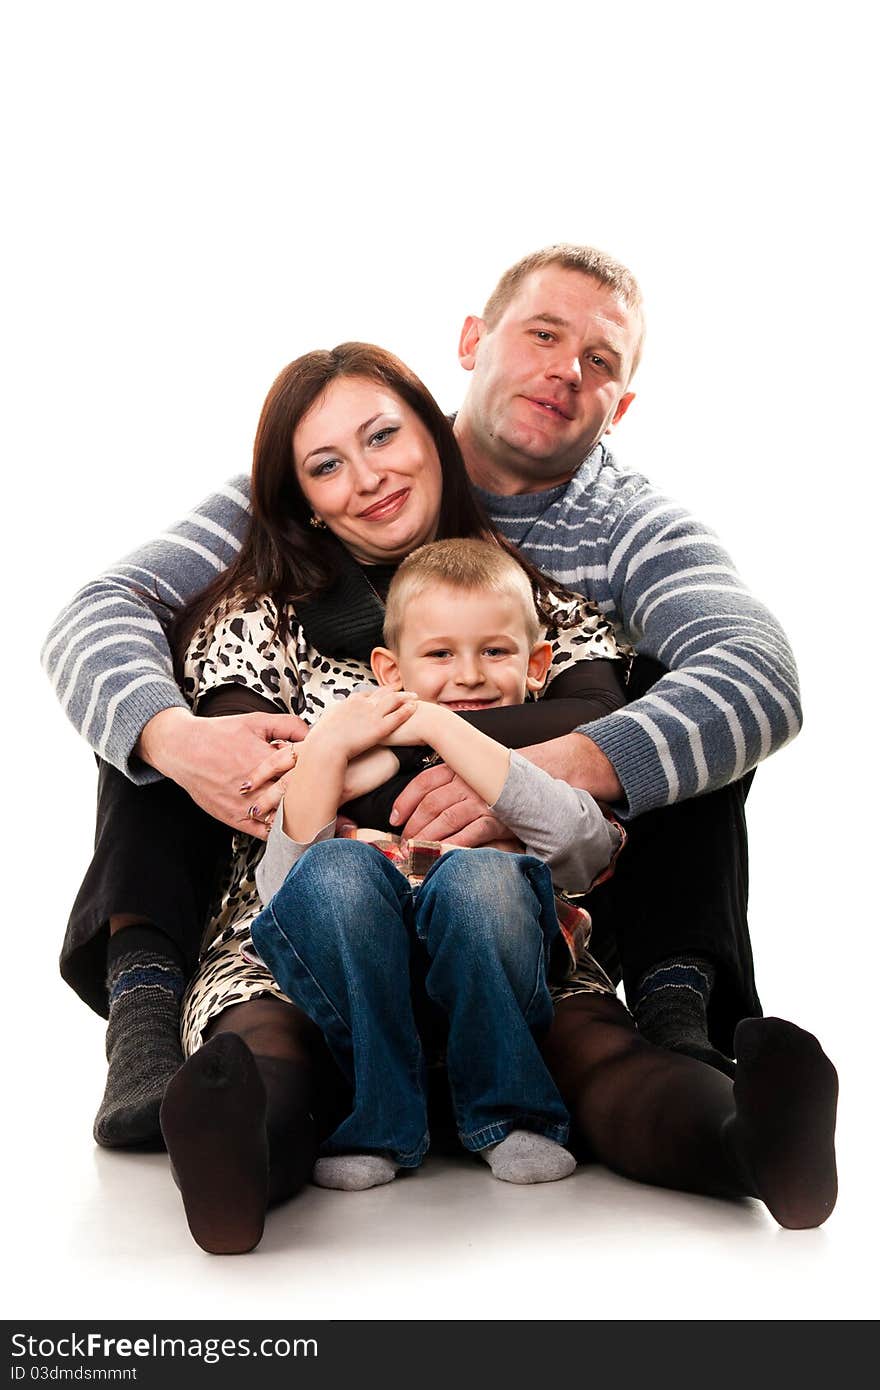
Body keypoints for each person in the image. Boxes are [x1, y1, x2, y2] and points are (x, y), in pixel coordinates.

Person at [43, 243, 795, 1144]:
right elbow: (105, 607)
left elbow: (759, 669)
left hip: (536, 877)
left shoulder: (623, 530)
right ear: (474, 340)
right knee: (141, 693)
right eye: (543, 333)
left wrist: (532, 773)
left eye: (598, 361)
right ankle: (146, 1028)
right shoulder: (318, 478)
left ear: (621, 404)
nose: (564, 370)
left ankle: (680, 1019)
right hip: (316, 860)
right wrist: (172, 737)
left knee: (687, 702)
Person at [153, 351, 835, 1255]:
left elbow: (610, 742)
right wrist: (326, 759)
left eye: (384, 436)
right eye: (326, 465)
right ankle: (234, 1165)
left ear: (436, 435)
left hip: (505, 923)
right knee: (273, 1040)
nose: (367, 477)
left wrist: (414, 746)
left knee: (597, 1042)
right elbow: (268, 796)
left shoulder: (537, 596)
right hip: (313, 941)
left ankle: (750, 1145)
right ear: (299, 494)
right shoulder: (255, 612)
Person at [248, 538, 624, 1193]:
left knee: (479, 878)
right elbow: (284, 893)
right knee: (336, 869)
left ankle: (508, 1115)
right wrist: (330, 743)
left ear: (538, 664)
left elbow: (584, 848)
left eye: (496, 651)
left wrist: (440, 726)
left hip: (496, 972)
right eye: (441, 654)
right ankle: (379, 1123)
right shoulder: (353, 770)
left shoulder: (534, 761)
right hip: (372, 986)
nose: (470, 675)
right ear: (390, 672)